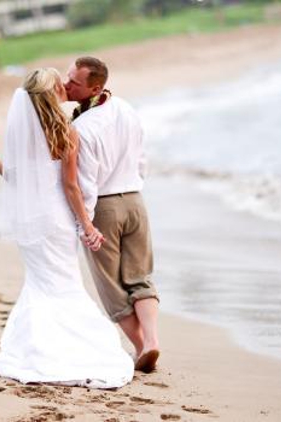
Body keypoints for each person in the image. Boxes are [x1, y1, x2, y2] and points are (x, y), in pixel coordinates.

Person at [0, 68, 134, 388]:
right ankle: (68, 349)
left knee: (41, 284)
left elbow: (18, 183)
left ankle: (35, 348)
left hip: (31, 221)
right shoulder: (65, 130)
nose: (65, 87)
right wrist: (87, 225)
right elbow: (70, 186)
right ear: (53, 93)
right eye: (60, 84)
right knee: (65, 284)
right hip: (57, 221)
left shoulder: (23, 134)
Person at [65, 57, 160, 373]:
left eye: (74, 82)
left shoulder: (81, 127)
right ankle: (153, 342)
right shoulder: (127, 109)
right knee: (139, 277)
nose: (67, 85)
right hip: (135, 200)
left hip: (104, 206)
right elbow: (142, 158)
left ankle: (140, 346)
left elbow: (86, 183)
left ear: (95, 87)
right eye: (68, 78)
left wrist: (86, 225)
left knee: (111, 287)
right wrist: (133, 186)